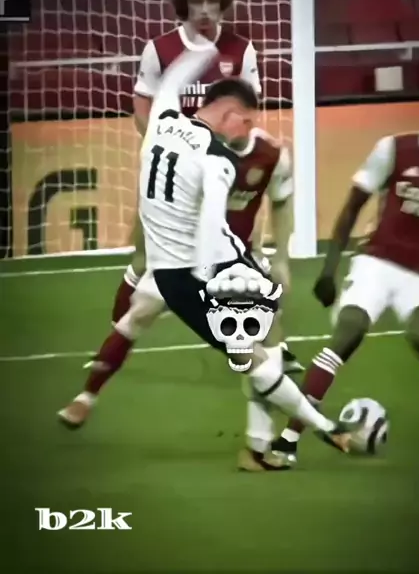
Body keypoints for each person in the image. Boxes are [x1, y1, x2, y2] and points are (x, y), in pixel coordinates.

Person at [59, 49, 355, 470]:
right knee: (250, 350)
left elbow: (170, 83)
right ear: (230, 114)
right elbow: (213, 221)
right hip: (196, 270)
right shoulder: (220, 160)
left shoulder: (164, 122)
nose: (249, 129)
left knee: (252, 338)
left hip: (181, 265)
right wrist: (214, 275)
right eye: (246, 120)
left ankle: (265, 442)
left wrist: (200, 49)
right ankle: (316, 431)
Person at [272, 56, 419, 465]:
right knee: (347, 334)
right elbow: (352, 207)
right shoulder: (395, 149)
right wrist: (330, 269)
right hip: (377, 262)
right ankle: (289, 439)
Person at [109, 0, 299, 372]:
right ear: (185, 5)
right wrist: (158, 142)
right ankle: (116, 331)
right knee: (144, 252)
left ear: (222, 4)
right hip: (172, 171)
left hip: (218, 166)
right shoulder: (161, 49)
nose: (206, 10)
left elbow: (248, 106)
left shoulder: (241, 50)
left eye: (213, 2)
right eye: (197, 2)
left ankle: (274, 347)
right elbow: (142, 101)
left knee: (242, 247)